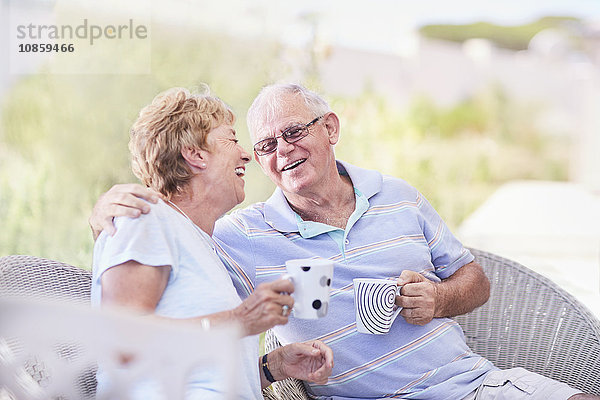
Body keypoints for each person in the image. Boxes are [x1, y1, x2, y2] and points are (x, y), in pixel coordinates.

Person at [90, 84, 598, 400]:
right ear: (196, 155)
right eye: (256, 143)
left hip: (468, 385)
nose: (264, 152)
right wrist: (107, 214)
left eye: (292, 132)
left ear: (330, 128)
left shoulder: (398, 196)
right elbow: (129, 314)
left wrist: (440, 298)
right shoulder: (232, 236)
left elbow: (476, 280)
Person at [91, 87, 333, 400]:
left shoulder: (201, 243)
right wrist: (239, 320)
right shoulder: (145, 217)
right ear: (195, 154)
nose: (247, 155)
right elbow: (124, 343)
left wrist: (275, 366)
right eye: (232, 140)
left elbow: (198, 368)